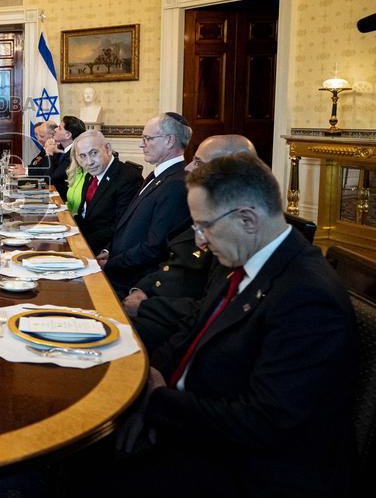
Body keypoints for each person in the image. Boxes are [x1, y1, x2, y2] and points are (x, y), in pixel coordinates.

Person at [116, 154, 356, 497]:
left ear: (247, 219)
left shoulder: (308, 297)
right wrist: (151, 374)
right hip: (192, 425)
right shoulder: (243, 259)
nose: (199, 241)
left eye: (204, 226)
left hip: (246, 469)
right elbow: (190, 331)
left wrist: (158, 402)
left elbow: (264, 423)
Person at [124, 135, 256, 351]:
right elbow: (171, 258)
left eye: (198, 163)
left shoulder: (231, 227)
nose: (187, 168)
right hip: (156, 300)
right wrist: (142, 288)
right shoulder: (205, 206)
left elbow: (209, 307)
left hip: (171, 323)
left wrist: (146, 306)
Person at [97, 112, 191, 296]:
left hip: (131, 281)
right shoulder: (160, 175)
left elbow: (155, 246)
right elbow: (130, 224)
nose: (141, 144)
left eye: (148, 138)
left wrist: (112, 263)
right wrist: (110, 250)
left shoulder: (177, 184)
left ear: (170, 141)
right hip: (120, 268)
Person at [72, 130, 143, 252]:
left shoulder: (128, 178)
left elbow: (122, 226)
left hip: (105, 248)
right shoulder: (90, 175)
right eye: (82, 156)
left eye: (93, 153)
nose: (89, 162)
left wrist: (80, 243)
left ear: (108, 149)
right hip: (85, 240)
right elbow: (86, 217)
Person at [49, 116, 87, 199]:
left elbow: (52, 178)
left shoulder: (74, 154)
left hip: (66, 199)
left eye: (59, 128)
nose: (55, 129)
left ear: (68, 135)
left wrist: (49, 154)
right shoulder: (60, 148)